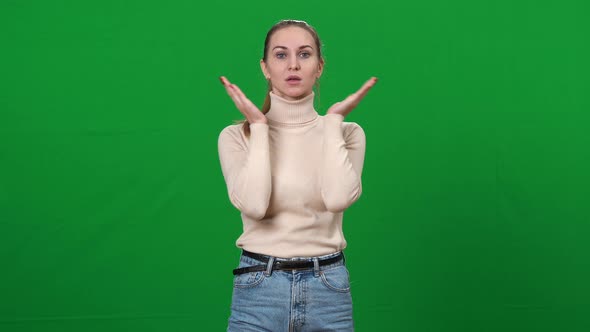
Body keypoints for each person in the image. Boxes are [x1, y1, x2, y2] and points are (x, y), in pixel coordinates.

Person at [217, 19, 377, 331]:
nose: (293, 65)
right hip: (258, 287)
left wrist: (332, 122)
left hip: (327, 288)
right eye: (281, 55)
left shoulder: (347, 133)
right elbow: (254, 206)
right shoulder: (236, 136)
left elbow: (338, 198)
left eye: (304, 55)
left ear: (319, 67)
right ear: (265, 67)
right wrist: (260, 128)